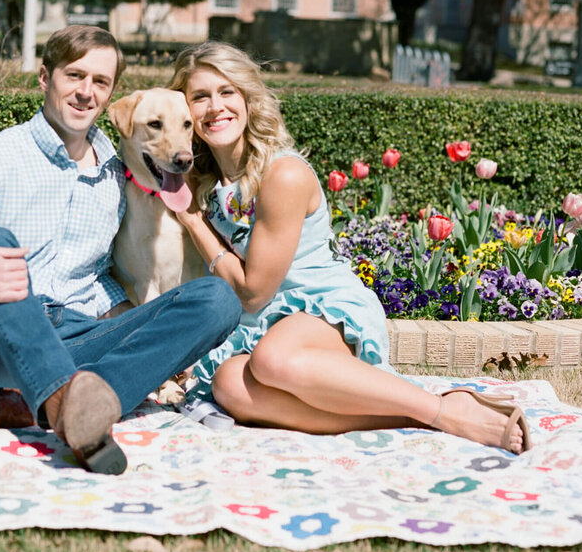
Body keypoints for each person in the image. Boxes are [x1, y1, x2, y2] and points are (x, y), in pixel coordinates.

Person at [0, 26, 242, 475]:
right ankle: (68, 408)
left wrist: (138, 326)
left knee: (217, 301)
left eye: (100, 82)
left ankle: (35, 406)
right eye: (74, 76)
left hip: (75, 337)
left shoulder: (119, 175)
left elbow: (104, 276)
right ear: (45, 78)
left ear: (111, 93)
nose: (85, 92)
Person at [168, 41, 529, 455]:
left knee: (271, 359)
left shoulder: (282, 174)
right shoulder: (208, 183)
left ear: (249, 98)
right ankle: (426, 413)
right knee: (230, 384)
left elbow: (252, 292)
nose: (215, 107)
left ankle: (441, 410)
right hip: (267, 324)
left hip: (322, 307)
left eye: (227, 91)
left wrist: (195, 224)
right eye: (200, 97)